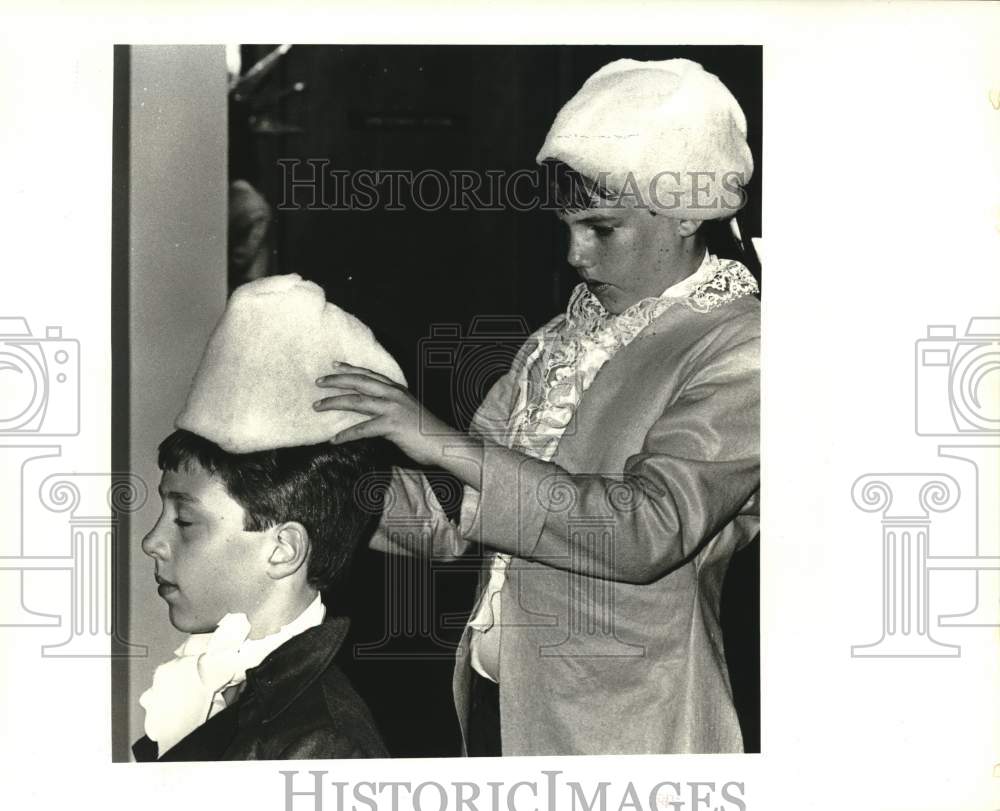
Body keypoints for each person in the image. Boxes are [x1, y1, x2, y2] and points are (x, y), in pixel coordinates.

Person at [315, 57, 761, 756]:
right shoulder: (561, 338)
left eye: (601, 227)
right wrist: (316, 485)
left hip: (629, 731)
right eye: (567, 225)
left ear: (687, 212)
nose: (575, 253)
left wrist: (443, 442)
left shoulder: (744, 343)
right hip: (500, 701)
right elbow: (454, 512)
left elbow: (648, 529)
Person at [133, 275, 402, 761]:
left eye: (185, 521)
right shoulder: (221, 687)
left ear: (282, 550)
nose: (153, 541)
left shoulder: (320, 744)